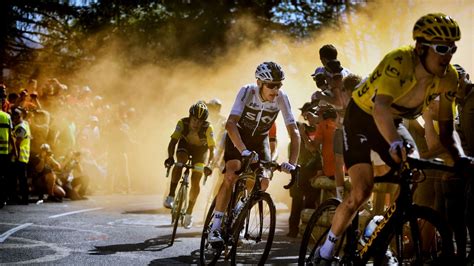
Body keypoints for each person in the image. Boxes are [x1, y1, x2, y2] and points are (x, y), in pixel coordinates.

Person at [314, 13, 469, 264]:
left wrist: (460, 157)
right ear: (420, 48)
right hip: (363, 117)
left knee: (414, 171)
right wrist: (395, 143)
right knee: (362, 190)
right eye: (441, 48)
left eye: (452, 48)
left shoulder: (449, 78)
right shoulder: (398, 60)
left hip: (392, 121)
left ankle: (378, 235)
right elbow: (380, 108)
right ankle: (325, 252)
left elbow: (448, 129)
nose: (448, 55)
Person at [207, 61, 300, 243]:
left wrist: (293, 163)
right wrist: (243, 151)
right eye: (271, 85)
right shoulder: (247, 91)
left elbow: (294, 132)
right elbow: (230, 124)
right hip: (238, 137)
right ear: (259, 83)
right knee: (231, 174)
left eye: (279, 85)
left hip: (260, 140)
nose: (275, 90)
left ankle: (239, 216)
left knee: (263, 182)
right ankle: (215, 228)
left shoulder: (281, 97)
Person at [163, 101, 215, 229]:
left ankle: (189, 212)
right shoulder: (182, 123)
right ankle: (171, 195)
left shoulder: (208, 128)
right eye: (194, 120)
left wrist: (209, 165)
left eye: (200, 121)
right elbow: (173, 142)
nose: (196, 123)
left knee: (196, 179)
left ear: (204, 122)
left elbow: (212, 149)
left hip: (200, 152)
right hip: (185, 146)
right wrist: (170, 157)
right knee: (180, 162)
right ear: (190, 117)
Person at [311, 45, 352, 200]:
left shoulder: (334, 73)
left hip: (343, 123)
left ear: (322, 59)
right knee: (348, 160)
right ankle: (345, 196)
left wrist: (319, 96)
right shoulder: (346, 71)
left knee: (339, 159)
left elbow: (339, 102)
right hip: (350, 119)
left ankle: (340, 197)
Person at [287, 102, 323, 238]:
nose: (305, 116)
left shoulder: (316, 130)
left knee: (310, 202)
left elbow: (316, 151)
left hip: (312, 171)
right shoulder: (298, 129)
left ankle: (308, 231)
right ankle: (293, 229)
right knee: (296, 201)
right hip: (298, 171)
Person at [0, 109, 13, 208]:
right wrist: (15, 151)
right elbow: (11, 135)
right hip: (4, 152)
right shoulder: (7, 116)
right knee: (3, 176)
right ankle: (3, 198)